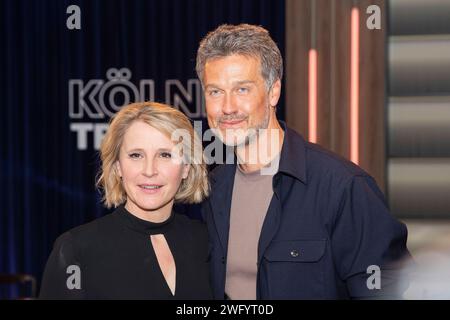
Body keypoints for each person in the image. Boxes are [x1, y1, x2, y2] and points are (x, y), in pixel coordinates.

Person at [197, 24, 411, 299]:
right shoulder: (211, 190)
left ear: (274, 91)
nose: (227, 107)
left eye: (242, 90)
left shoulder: (343, 187)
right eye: (215, 92)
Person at [39, 102, 212, 299]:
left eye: (165, 155)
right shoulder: (75, 250)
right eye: (136, 155)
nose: (149, 170)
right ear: (118, 167)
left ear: (186, 167)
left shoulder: (206, 241)